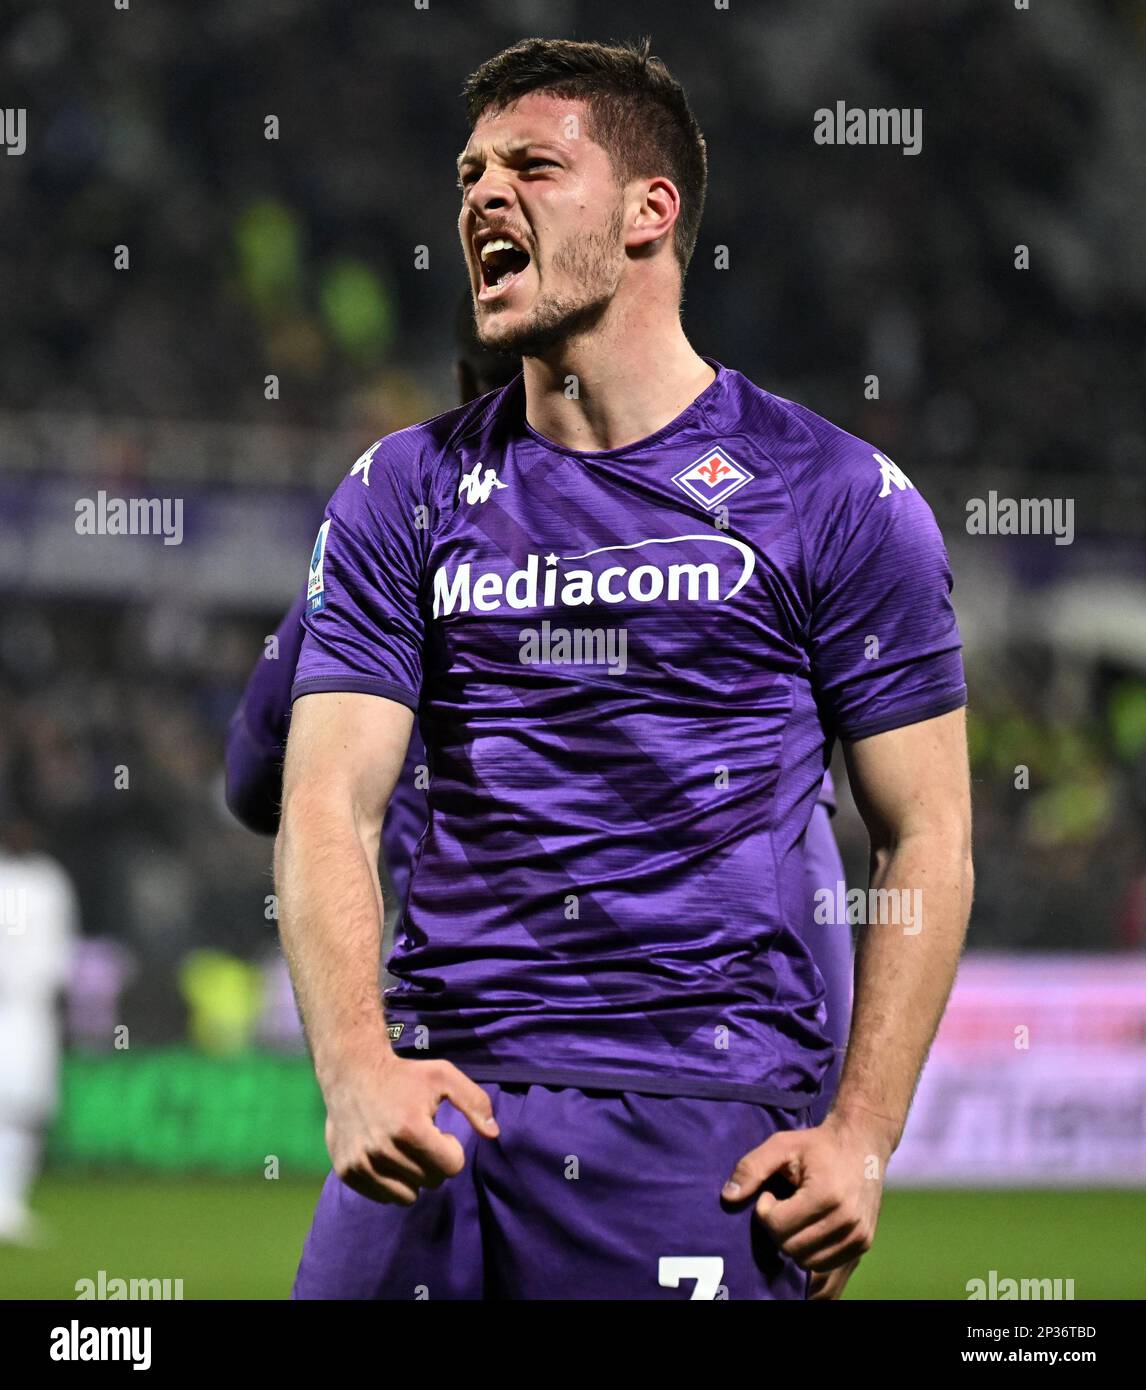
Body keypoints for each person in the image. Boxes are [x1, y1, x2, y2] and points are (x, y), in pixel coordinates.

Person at [278, 37, 969, 1301]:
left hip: (693, 1114)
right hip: (439, 1105)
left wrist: (864, 1133)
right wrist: (355, 1065)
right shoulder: (402, 492)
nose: (485, 193)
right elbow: (327, 799)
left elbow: (925, 835)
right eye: (471, 171)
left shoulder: (836, 497)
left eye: (535, 166)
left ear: (653, 212)